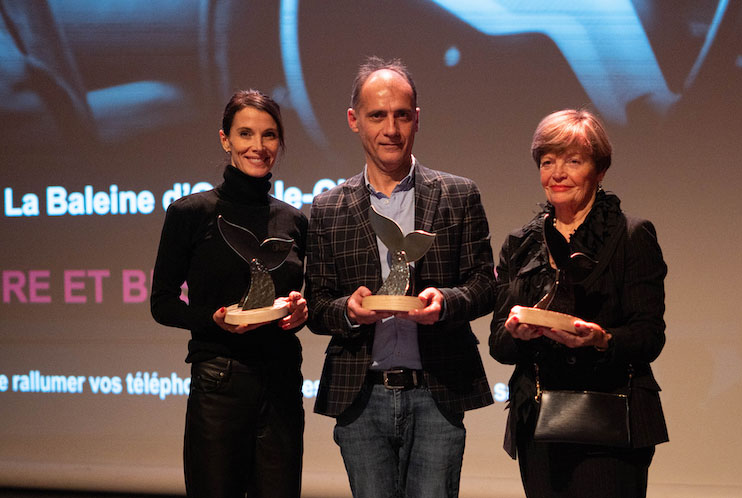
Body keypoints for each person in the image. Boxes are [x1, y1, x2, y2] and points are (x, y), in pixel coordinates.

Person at [305, 56, 496, 498]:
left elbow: (485, 284)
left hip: (437, 390)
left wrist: (445, 303)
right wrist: (348, 311)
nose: (390, 129)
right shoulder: (329, 206)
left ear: (416, 120)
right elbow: (316, 303)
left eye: (401, 115)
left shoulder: (458, 194)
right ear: (354, 121)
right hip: (361, 394)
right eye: (377, 115)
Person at [490, 109, 668, 497]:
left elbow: (649, 335)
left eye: (574, 161)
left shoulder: (631, 235)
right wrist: (520, 333)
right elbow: (498, 345)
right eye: (548, 161)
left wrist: (601, 340)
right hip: (538, 422)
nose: (558, 173)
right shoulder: (519, 244)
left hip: (609, 419)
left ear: (599, 170)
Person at [150, 89, 308, 498]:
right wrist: (212, 319)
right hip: (219, 380)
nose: (258, 146)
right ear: (225, 140)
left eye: (269, 135)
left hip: (281, 383)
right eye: (245, 134)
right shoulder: (191, 213)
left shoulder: (294, 221)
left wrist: (299, 312)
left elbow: (299, 300)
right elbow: (163, 302)